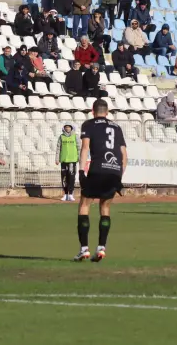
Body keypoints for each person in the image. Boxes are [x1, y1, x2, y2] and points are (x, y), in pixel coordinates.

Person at [74, 99, 127, 262]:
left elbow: (85, 148)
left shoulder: (88, 124)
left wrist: (81, 171)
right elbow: (124, 156)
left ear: (92, 110)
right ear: (108, 111)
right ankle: (101, 248)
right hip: (114, 172)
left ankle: (84, 249)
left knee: (84, 205)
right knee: (105, 207)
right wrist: (119, 177)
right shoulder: (117, 128)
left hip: (97, 170)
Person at [56, 122, 81, 202]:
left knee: (71, 177)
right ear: (64, 128)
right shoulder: (61, 137)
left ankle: (70, 194)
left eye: (69, 127)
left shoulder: (75, 136)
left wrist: (79, 158)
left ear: (71, 128)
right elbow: (58, 148)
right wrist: (57, 159)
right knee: (64, 178)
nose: (67, 128)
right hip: (63, 160)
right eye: (66, 127)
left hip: (72, 160)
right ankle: (65, 194)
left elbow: (79, 148)